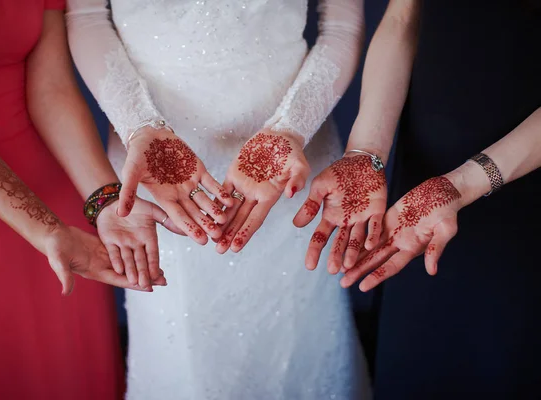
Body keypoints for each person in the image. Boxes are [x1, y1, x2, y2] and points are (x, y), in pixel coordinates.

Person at [67, 0, 371, 398]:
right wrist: (137, 123)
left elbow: (341, 27)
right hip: (158, 171)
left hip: (289, 163)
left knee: (296, 341)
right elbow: (86, 17)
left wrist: (293, 127)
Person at [299, 0, 541, 398]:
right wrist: (366, 151)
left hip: (525, 163)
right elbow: (402, 18)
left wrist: (466, 183)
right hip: (425, 173)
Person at [0, 0, 178, 398]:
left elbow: (51, 87)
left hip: (59, 191)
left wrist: (104, 200)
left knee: (69, 364)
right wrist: (44, 229)